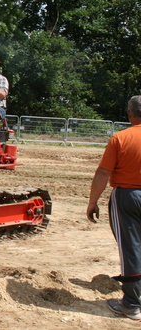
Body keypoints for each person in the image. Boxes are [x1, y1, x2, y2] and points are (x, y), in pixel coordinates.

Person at [87, 95, 141, 321]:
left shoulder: (120, 138)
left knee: (131, 248)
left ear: (129, 114)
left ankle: (131, 304)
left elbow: (103, 173)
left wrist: (92, 202)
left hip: (127, 195)